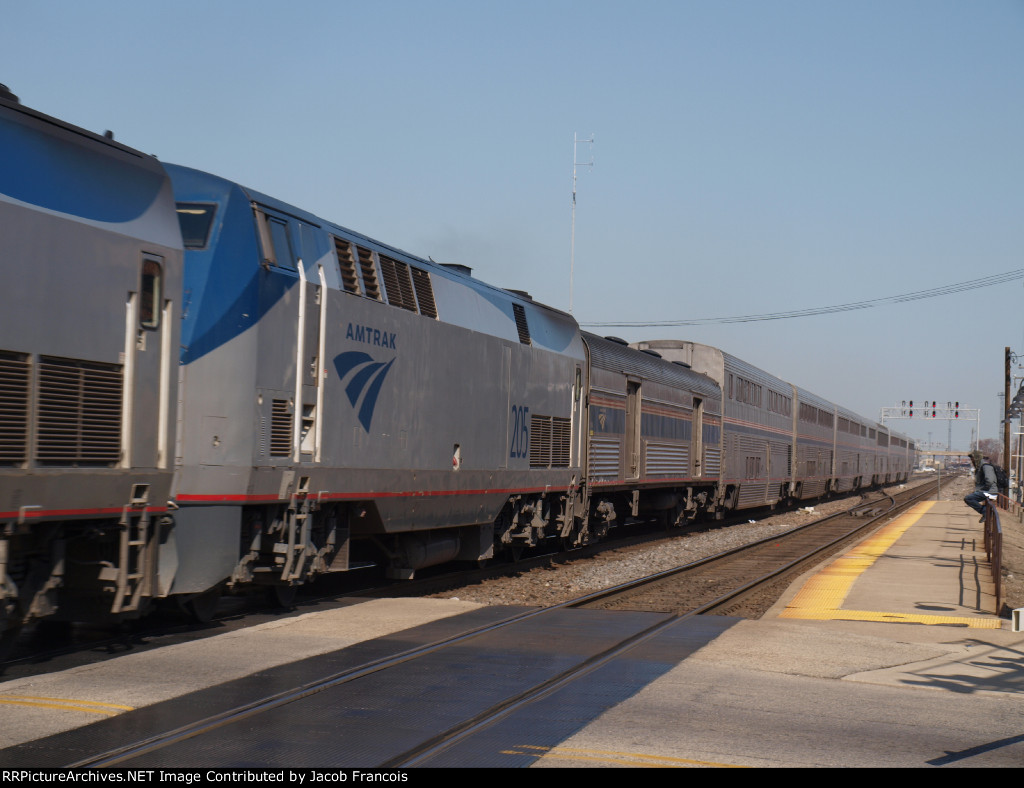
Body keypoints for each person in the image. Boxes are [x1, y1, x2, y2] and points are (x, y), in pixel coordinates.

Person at [964, 451, 998, 522]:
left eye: (972, 459)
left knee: (968, 498)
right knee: (970, 498)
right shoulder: (980, 467)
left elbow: (990, 480)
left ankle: (985, 511)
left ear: (977, 458)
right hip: (987, 491)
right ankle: (985, 511)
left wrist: (983, 489)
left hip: (990, 491)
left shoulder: (986, 466)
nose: (972, 461)